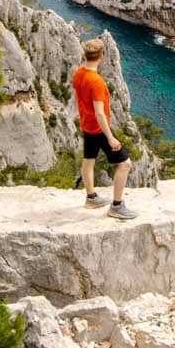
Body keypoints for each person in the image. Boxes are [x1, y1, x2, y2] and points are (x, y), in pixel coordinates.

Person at [72, 38, 137, 219]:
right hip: (98, 129)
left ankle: (91, 197)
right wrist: (110, 138)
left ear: (85, 55)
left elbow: (77, 99)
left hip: (87, 125)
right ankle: (116, 206)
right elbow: (100, 114)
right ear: (102, 56)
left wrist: (82, 117)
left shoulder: (78, 73)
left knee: (88, 161)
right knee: (125, 164)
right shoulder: (97, 82)